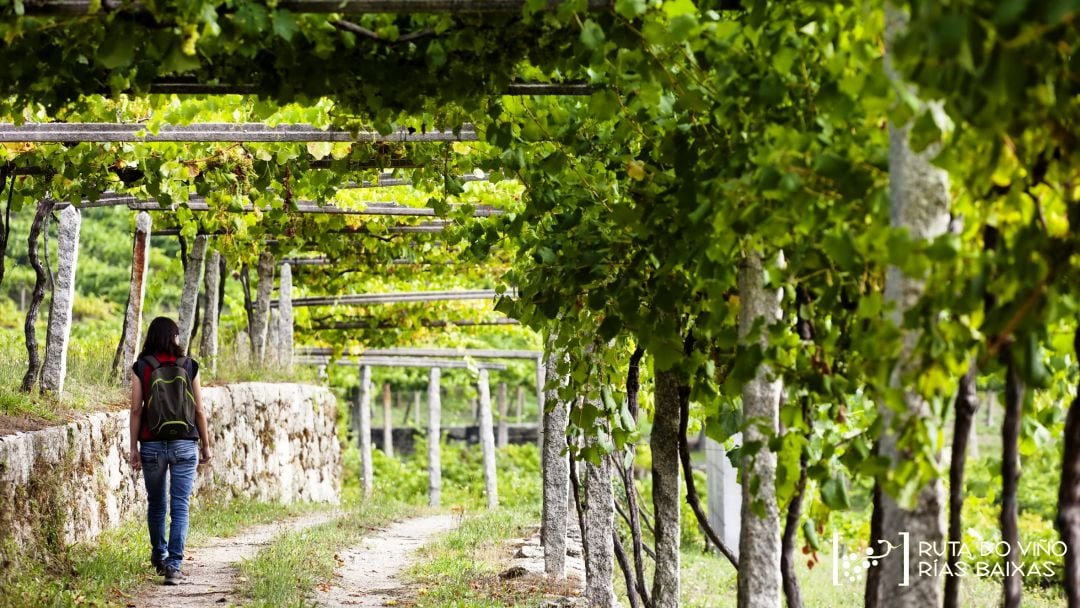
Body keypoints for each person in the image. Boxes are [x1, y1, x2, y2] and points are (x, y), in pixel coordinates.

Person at [127, 317, 212, 585]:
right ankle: (174, 566)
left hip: (151, 443)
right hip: (185, 443)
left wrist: (133, 447)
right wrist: (206, 444)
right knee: (179, 506)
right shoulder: (189, 365)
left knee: (156, 503)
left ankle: (159, 555)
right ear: (174, 337)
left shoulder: (142, 366)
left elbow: (136, 409)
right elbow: (198, 409)